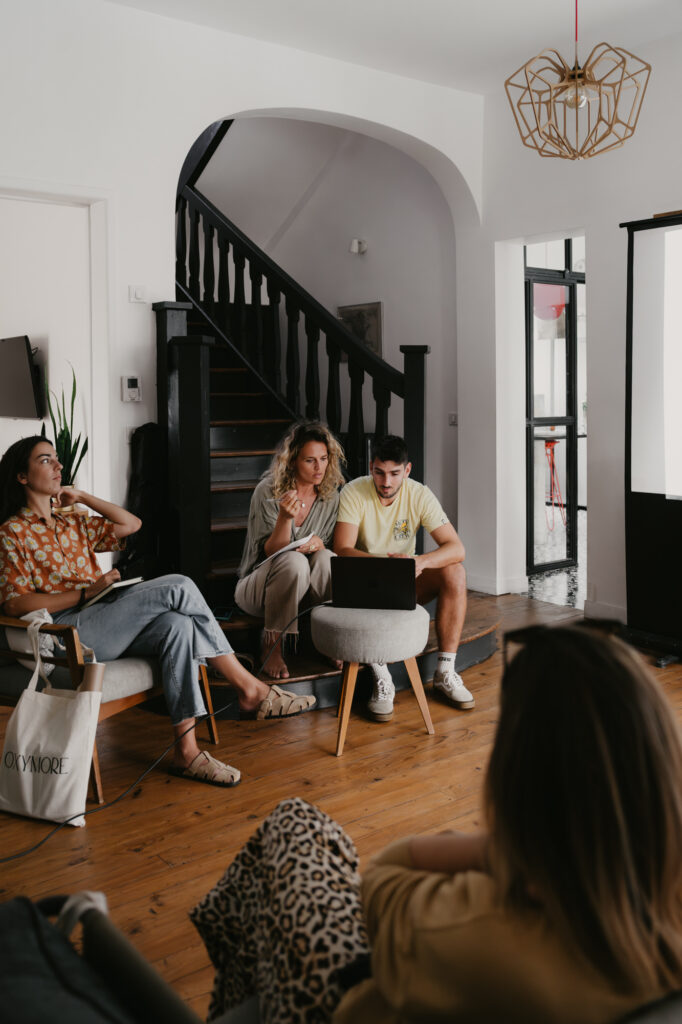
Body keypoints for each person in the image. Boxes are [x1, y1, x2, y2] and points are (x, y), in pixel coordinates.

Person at [193, 626, 682, 1023]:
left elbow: (381, 883)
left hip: (341, 997)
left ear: (521, 786)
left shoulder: (479, 927)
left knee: (293, 823)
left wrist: (506, 851)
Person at [0, 436, 315, 789]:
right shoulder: (13, 532)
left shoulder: (72, 522)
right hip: (67, 634)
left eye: (58, 459)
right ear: (22, 477)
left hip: (104, 620)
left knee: (177, 625)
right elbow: (14, 603)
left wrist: (83, 497)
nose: (58, 466)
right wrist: (86, 592)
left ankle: (187, 752)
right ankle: (249, 688)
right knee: (178, 586)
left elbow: (131, 524)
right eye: (46, 460)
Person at [333, 434, 471, 719]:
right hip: (364, 583)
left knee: (455, 572)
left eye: (395, 474)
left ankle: (446, 670)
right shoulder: (353, 491)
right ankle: (382, 677)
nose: (386, 482)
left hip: (403, 580)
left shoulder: (419, 493)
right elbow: (342, 548)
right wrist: (386, 564)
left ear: (407, 471)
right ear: (371, 467)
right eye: (379, 472)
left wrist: (420, 562)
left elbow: (457, 549)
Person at [235, 420, 345, 679]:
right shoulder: (268, 491)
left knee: (328, 557)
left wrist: (319, 543)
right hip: (259, 588)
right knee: (293, 562)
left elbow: (328, 544)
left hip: (305, 591)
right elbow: (269, 550)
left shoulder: (330, 496)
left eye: (324, 458)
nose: (319, 467)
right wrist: (284, 518)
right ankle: (271, 646)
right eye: (310, 460)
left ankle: (328, 639)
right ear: (294, 460)